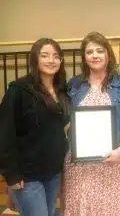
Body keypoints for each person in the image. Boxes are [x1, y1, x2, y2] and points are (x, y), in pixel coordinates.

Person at [61, 31, 120, 216]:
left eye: (99, 50)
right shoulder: (74, 85)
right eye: (89, 52)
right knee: (80, 207)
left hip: (113, 161)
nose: (95, 55)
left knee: (110, 209)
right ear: (84, 57)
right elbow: (62, 118)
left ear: (108, 54)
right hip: (79, 165)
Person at [0, 38, 70, 216]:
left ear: (61, 61)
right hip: (27, 175)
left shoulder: (62, 90)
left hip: (53, 172)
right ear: (35, 59)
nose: (51, 60)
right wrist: (12, 174)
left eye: (56, 56)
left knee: (51, 212)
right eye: (44, 55)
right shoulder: (19, 90)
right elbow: (4, 133)